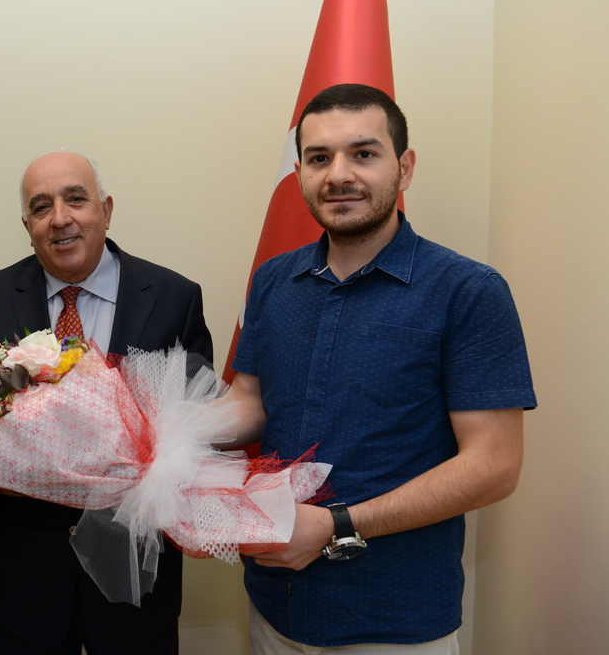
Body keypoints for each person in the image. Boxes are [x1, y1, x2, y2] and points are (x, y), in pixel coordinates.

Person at [218, 84, 537, 653]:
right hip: (275, 604)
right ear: (300, 173)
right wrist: (152, 435)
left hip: (392, 618)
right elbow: (249, 403)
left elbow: (495, 465)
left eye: (363, 153)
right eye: (319, 158)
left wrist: (336, 525)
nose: (338, 174)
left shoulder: (468, 291)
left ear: (404, 167)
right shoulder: (272, 280)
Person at [0, 150, 213, 655]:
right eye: (41, 207)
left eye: (76, 199)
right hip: (24, 573)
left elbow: (197, 423)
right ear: (28, 226)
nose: (60, 219)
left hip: (134, 576)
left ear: (106, 210)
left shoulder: (174, 296)